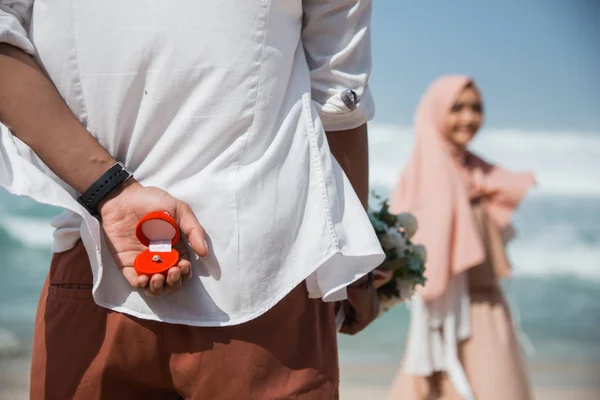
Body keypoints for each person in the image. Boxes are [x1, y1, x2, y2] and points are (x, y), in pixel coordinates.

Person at [0, 1, 385, 398]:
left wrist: (109, 190)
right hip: (265, 279)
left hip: (95, 256)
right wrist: (358, 277)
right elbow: (339, 102)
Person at [388, 75, 535, 400]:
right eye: (457, 108)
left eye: (475, 108)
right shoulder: (427, 176)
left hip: (491, 310)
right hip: (448, 317)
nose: (468, 118)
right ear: (437, 112)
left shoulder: (478, 172)